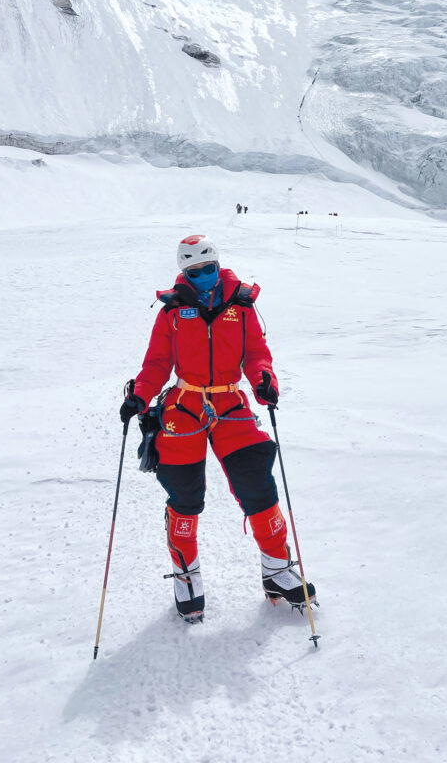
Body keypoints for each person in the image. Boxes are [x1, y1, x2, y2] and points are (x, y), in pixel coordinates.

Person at [119, 234, 316, 623]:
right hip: (185, 403)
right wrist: (141, 395)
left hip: (228, 402)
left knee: (256, 482)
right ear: (183, 272)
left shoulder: (241, 306)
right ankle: (186, 576)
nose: (202, 277)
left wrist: (264, 379)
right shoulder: (173, 311)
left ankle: (277, 569)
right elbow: (158, 362)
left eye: (208, 269)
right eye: (193, 272)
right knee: (185, 493)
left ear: (217, 265)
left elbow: (256, 353)